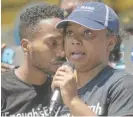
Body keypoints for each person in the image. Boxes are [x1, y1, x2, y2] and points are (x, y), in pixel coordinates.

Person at [52, 2, 133, 116]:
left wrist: (73, 101)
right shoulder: (60, 87)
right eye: (70, 32)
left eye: (87, 33)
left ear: (110, 43)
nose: (75, 40)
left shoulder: (123, 85)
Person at [1, 3, 65, 116]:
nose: (62, 52)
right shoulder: (3, 89)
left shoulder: (67, 88)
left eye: (64, 42)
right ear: (26, 46)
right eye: (52, 43)